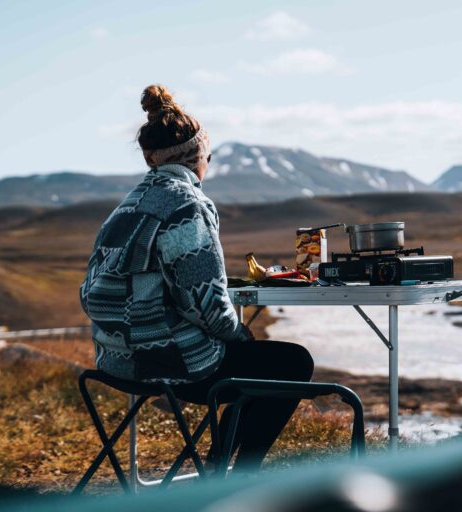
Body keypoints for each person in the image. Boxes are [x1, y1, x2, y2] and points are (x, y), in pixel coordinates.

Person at [79, 84, 314, 472]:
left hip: (116, 362)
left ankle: (219, 464)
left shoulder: (123, 209)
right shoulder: (187, 205)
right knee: (291, 363)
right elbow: (203, 300)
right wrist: (240, 334)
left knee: (258, 365)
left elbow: (90, 292)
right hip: (171, 363)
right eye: (208, 155)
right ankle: (237, 476)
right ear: (198, 157)